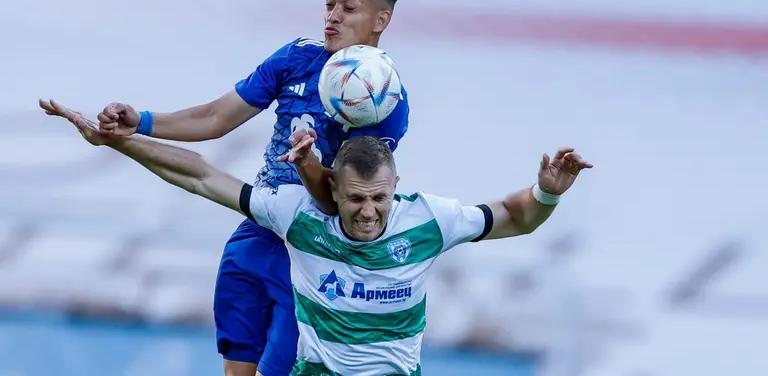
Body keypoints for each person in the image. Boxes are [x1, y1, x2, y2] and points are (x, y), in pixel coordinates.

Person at [39, 99, 593, 376]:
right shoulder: (298, 217)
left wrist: (546, 193)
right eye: (355, 199)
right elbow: (202, 175)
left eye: (379, 199)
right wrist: (121, 140)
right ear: (334, 188)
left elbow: (515, 217)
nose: (368, 213)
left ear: (396, 188)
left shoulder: (429, 220)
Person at [91, 0, 408, 376]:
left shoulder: (384, 101)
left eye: (348, 8)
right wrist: (143, 122)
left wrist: (307, 163)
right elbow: (215, 117)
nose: (332, 16)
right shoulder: (296, 57)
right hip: (254, 237)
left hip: (312, 261)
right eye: (329, 4)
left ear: (381, 19)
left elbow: (341, 201)